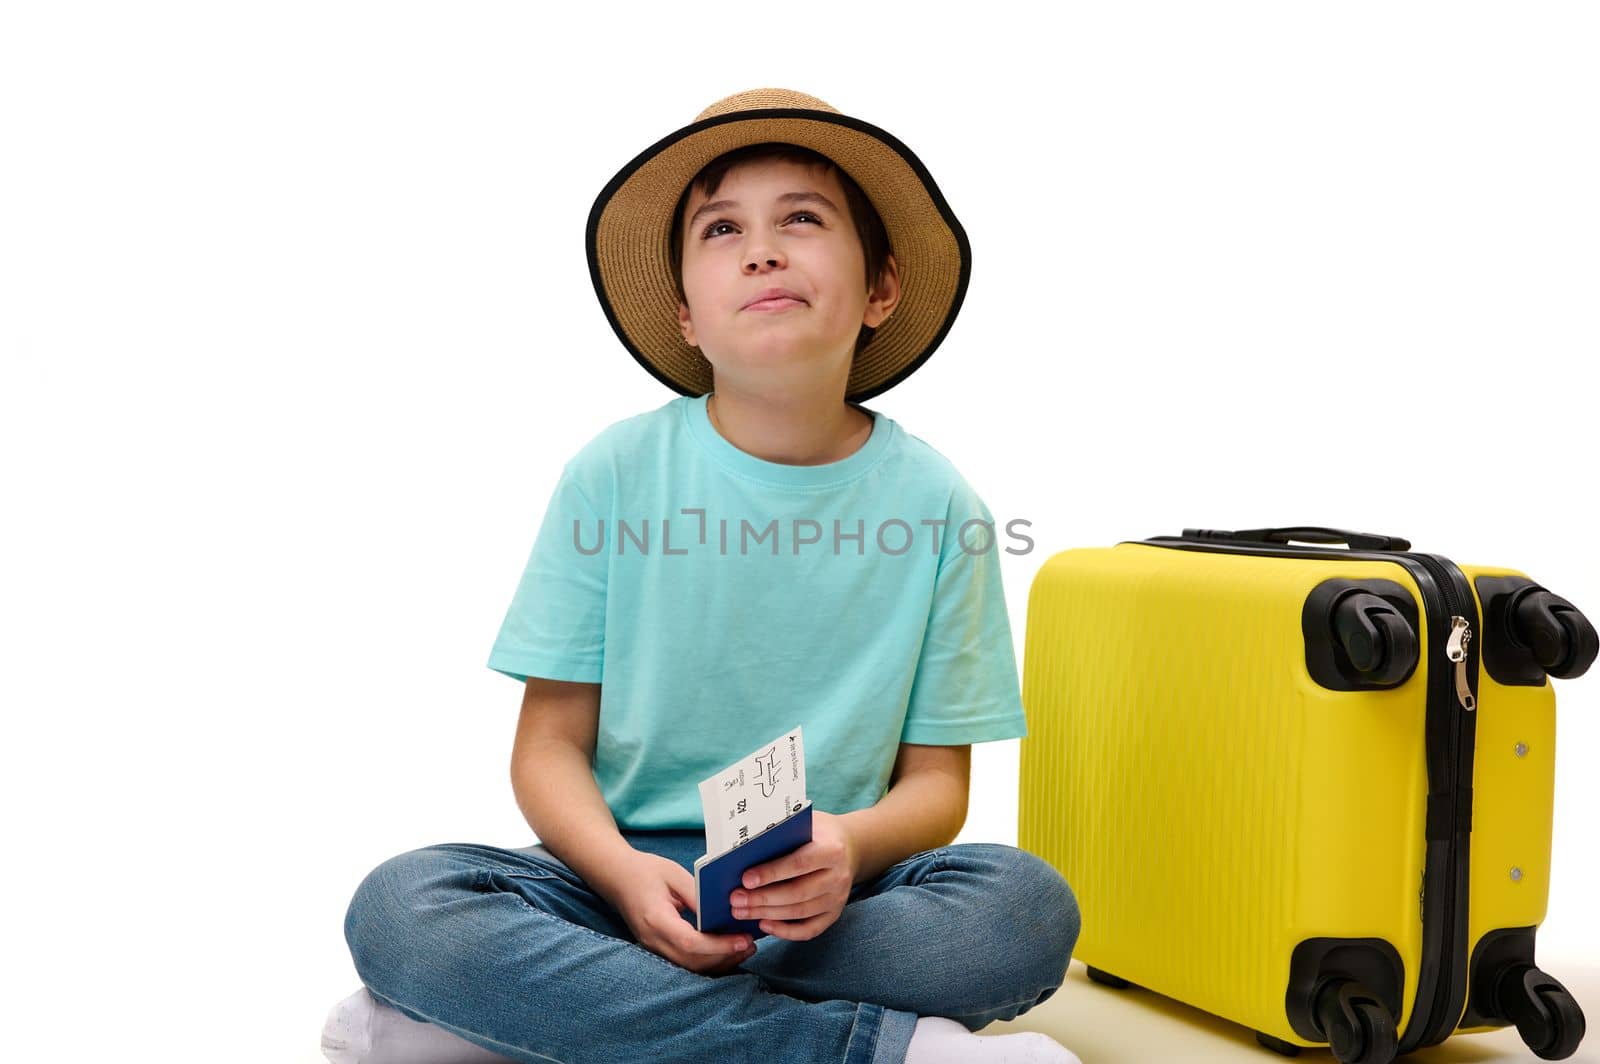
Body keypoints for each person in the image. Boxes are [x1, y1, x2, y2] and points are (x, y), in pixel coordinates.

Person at [323, 87, 1081, 1064]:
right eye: (722, 229)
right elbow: (547, 747)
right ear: (685, 312)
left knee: (1021, 913)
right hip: (612, 879)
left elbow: (936, 786)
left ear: (880, 287)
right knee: (401, 904)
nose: (761, 250)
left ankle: (503, 1027)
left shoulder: (941, 504)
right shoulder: (613, 474)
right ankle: (880, 1050)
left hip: (823, 899)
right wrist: (629, 880)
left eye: (800, 219)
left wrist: (844, 847)